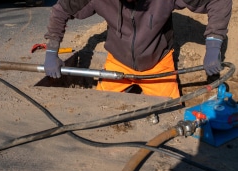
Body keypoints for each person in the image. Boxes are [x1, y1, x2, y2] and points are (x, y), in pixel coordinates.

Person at [43, 0, 232, 99]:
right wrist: (52, 51)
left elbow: (218, 1)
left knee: (169, 116)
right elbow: (61, 10)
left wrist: (214, 44)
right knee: (101, 111)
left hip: (158, 65)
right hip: (118, 62)